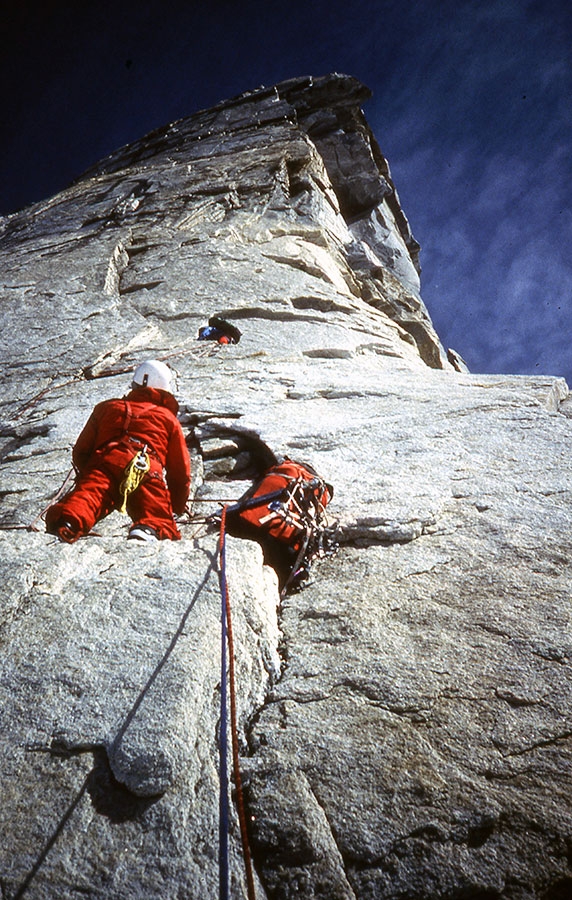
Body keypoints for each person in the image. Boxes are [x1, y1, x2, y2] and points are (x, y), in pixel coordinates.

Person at [45, 360, 191, 543]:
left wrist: (89, 475)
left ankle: (68, 523)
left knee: (88, 498)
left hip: (106, 461)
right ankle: (148, 529)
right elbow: (180, 473)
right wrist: (176, 506)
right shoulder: (168, 420)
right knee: (156, 513)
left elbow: (81, 451)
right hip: (145, 467)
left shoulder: (107, 408)